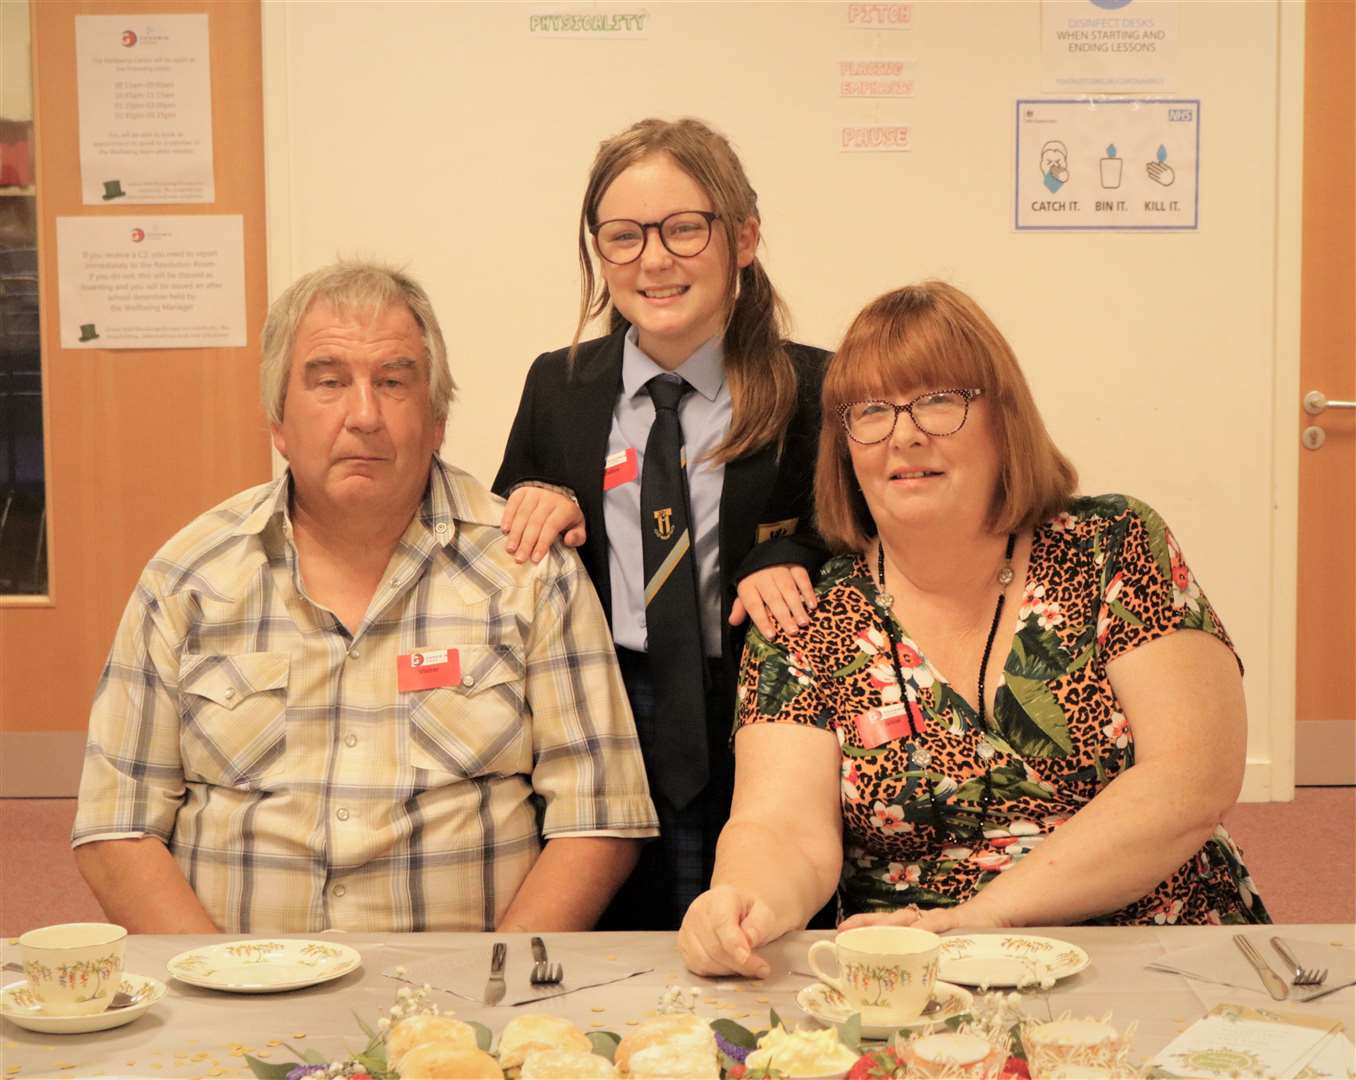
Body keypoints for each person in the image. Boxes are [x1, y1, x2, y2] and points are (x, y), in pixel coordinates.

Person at [679, 280, 1268, 976]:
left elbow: (1191, 780)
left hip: (1158, 950)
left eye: (939, 399)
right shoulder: (806, 616)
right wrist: (745, 900)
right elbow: (781, 828)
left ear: (1002, 418)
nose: (904, 433)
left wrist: (987, 916)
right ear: (844, 447)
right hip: (918, 976)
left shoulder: (1113, 544)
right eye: (870, 411)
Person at [72, 261, 658, 934]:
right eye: (328, 382)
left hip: (463, 1009)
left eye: (393, 381)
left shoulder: (527, 569)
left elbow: (602, 816)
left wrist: (497, 992)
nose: (363, 415)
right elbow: (116, 827)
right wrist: (222, 984)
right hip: (238, 998)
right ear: (278, 422)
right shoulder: (188, 577)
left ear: (437, 419)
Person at [494, 118, 829, 930]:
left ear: (743, 237)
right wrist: (543, 501)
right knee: (619, 948)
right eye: (623, 236)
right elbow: (506, 530)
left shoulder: (813, 386)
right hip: (607, 714)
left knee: (754, 940)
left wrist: (793, 551)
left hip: (758, 716)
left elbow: (864, 538)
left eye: (684, 228)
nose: (654, 259)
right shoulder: (559, 386)